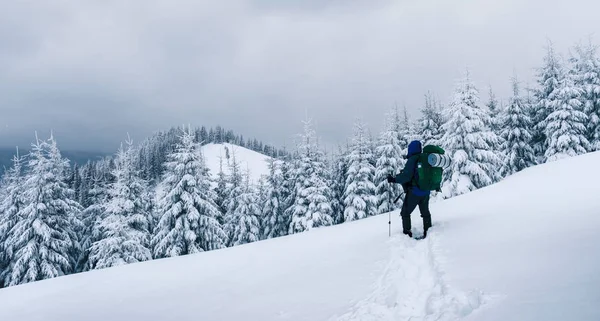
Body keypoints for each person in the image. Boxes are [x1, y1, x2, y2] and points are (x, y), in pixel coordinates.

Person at [387, 140, 432, 238]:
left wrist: (393, 179)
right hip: (426, 191)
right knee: (425, 212)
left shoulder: (412, 160)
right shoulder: (425, 158)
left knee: (405, 213)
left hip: (415, 192)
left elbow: (406, 177)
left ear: (411, 149)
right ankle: (428, 231)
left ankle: (407, 234)